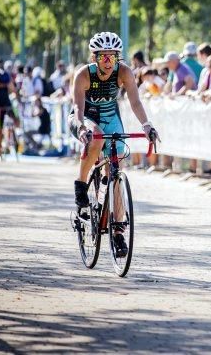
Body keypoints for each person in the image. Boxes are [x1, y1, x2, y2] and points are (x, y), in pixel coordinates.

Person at [69, 31, 159, 258]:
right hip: (85, 117)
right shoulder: (83, 75)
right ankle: (81, 184)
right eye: (103, 57)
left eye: (113, 57)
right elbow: (78, 109)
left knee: (117, 171)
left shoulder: (125, 72)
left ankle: (118, 231)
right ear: (94, 58)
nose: (109, 63)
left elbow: (136, 102)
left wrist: (146, 125)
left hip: (110, 116)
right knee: (96, 137)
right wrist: (81, 129)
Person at [0, 68, 19, 159]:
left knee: (16, 121)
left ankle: (14, 139)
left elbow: (15, 92)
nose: (3, 85)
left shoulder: (8, 84)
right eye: (1, 83)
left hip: (8, 107)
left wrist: (16, 97)